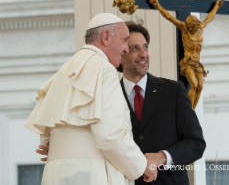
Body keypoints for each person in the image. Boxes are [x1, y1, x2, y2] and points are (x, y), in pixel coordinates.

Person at [37, 20, 206, 185]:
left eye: (145, 47)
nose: (143, 54)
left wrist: (162, 157)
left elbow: (196, 143)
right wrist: (63, 142)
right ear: (123, 53)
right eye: (133, 48)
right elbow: (102, 134)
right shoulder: (104, 88)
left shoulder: (173, 90)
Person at [25, 13, 157, 185]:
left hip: (58, 175)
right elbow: (110, 135)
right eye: (124, 40)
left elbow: (49, 140)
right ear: (106, 37)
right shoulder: (104, 69)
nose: (125, 49)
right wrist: (142, 165)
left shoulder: (64, 70)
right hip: (93, 174)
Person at [149, 0, 224, 109]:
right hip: (188, 62)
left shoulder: (200, 28)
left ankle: (192, 110)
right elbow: (168, 16)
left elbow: (210, 17)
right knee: (193, 84)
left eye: (195, 25)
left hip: (197, 63)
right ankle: (188, 110)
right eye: (192, 26)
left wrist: (217, 6)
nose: (194, 28)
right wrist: (157, 4)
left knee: (200, 87)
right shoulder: (184, 28)